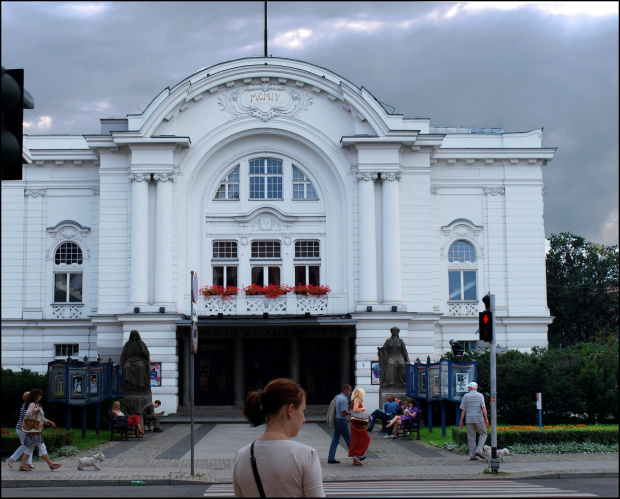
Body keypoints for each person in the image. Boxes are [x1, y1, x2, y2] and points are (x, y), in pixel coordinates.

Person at [233, 378, 324, 497]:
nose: (304, 419)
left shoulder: (241, 456)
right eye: (303, 411)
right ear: (290, 409)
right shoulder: (306, 456)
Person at [17, 388, 62, 472]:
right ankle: (51, 465)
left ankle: (22, 466)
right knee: (41, 446)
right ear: (35, 396)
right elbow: (27, 413)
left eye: (41, 395)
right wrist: (36, 410)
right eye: (40, 395)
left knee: (30, 448)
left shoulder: (37, 404)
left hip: (35, 430)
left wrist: (48, 422)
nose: (41, 396)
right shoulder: (32, 404)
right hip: (33, 430)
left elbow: (41, 418)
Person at [459, 381, 489, 460]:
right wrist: (486, 419)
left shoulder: (466, 396)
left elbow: (463, 410)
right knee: (483, 433)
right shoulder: (480, 396)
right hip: (479, 418)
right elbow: (483, 408)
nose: (468, 388)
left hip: (469, 419)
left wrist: (461, 421)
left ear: (471, 388)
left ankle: (472, 455)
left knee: (471, 437)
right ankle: (479, 450)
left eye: (469, 387)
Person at [6, 391, 35, 469]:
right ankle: (11, 459)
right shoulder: (27, 406)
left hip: (21, 428)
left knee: (29, 445)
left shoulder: (25, 405)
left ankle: (28, 463)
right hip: (23, 429)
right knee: (26, 445)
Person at [327, 384, 352, 464]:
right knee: (348, 438)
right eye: (349, 390)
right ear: (345, 390)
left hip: (337, 419)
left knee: (335, 440)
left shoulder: (338, 397)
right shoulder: (343, 399)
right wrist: (350, 412)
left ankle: (331, 457)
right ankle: (356, 455)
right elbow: (343, 412)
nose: (350, 392)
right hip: (342, 420)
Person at [348, 387, 370, 466]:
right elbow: (355, 409)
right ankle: (357, 455)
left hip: (355, 423)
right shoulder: (357, 400)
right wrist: (363, 408)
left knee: (356, 439)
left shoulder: (354, 400)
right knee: (366, 438)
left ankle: (355, 458)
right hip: (357, 423)